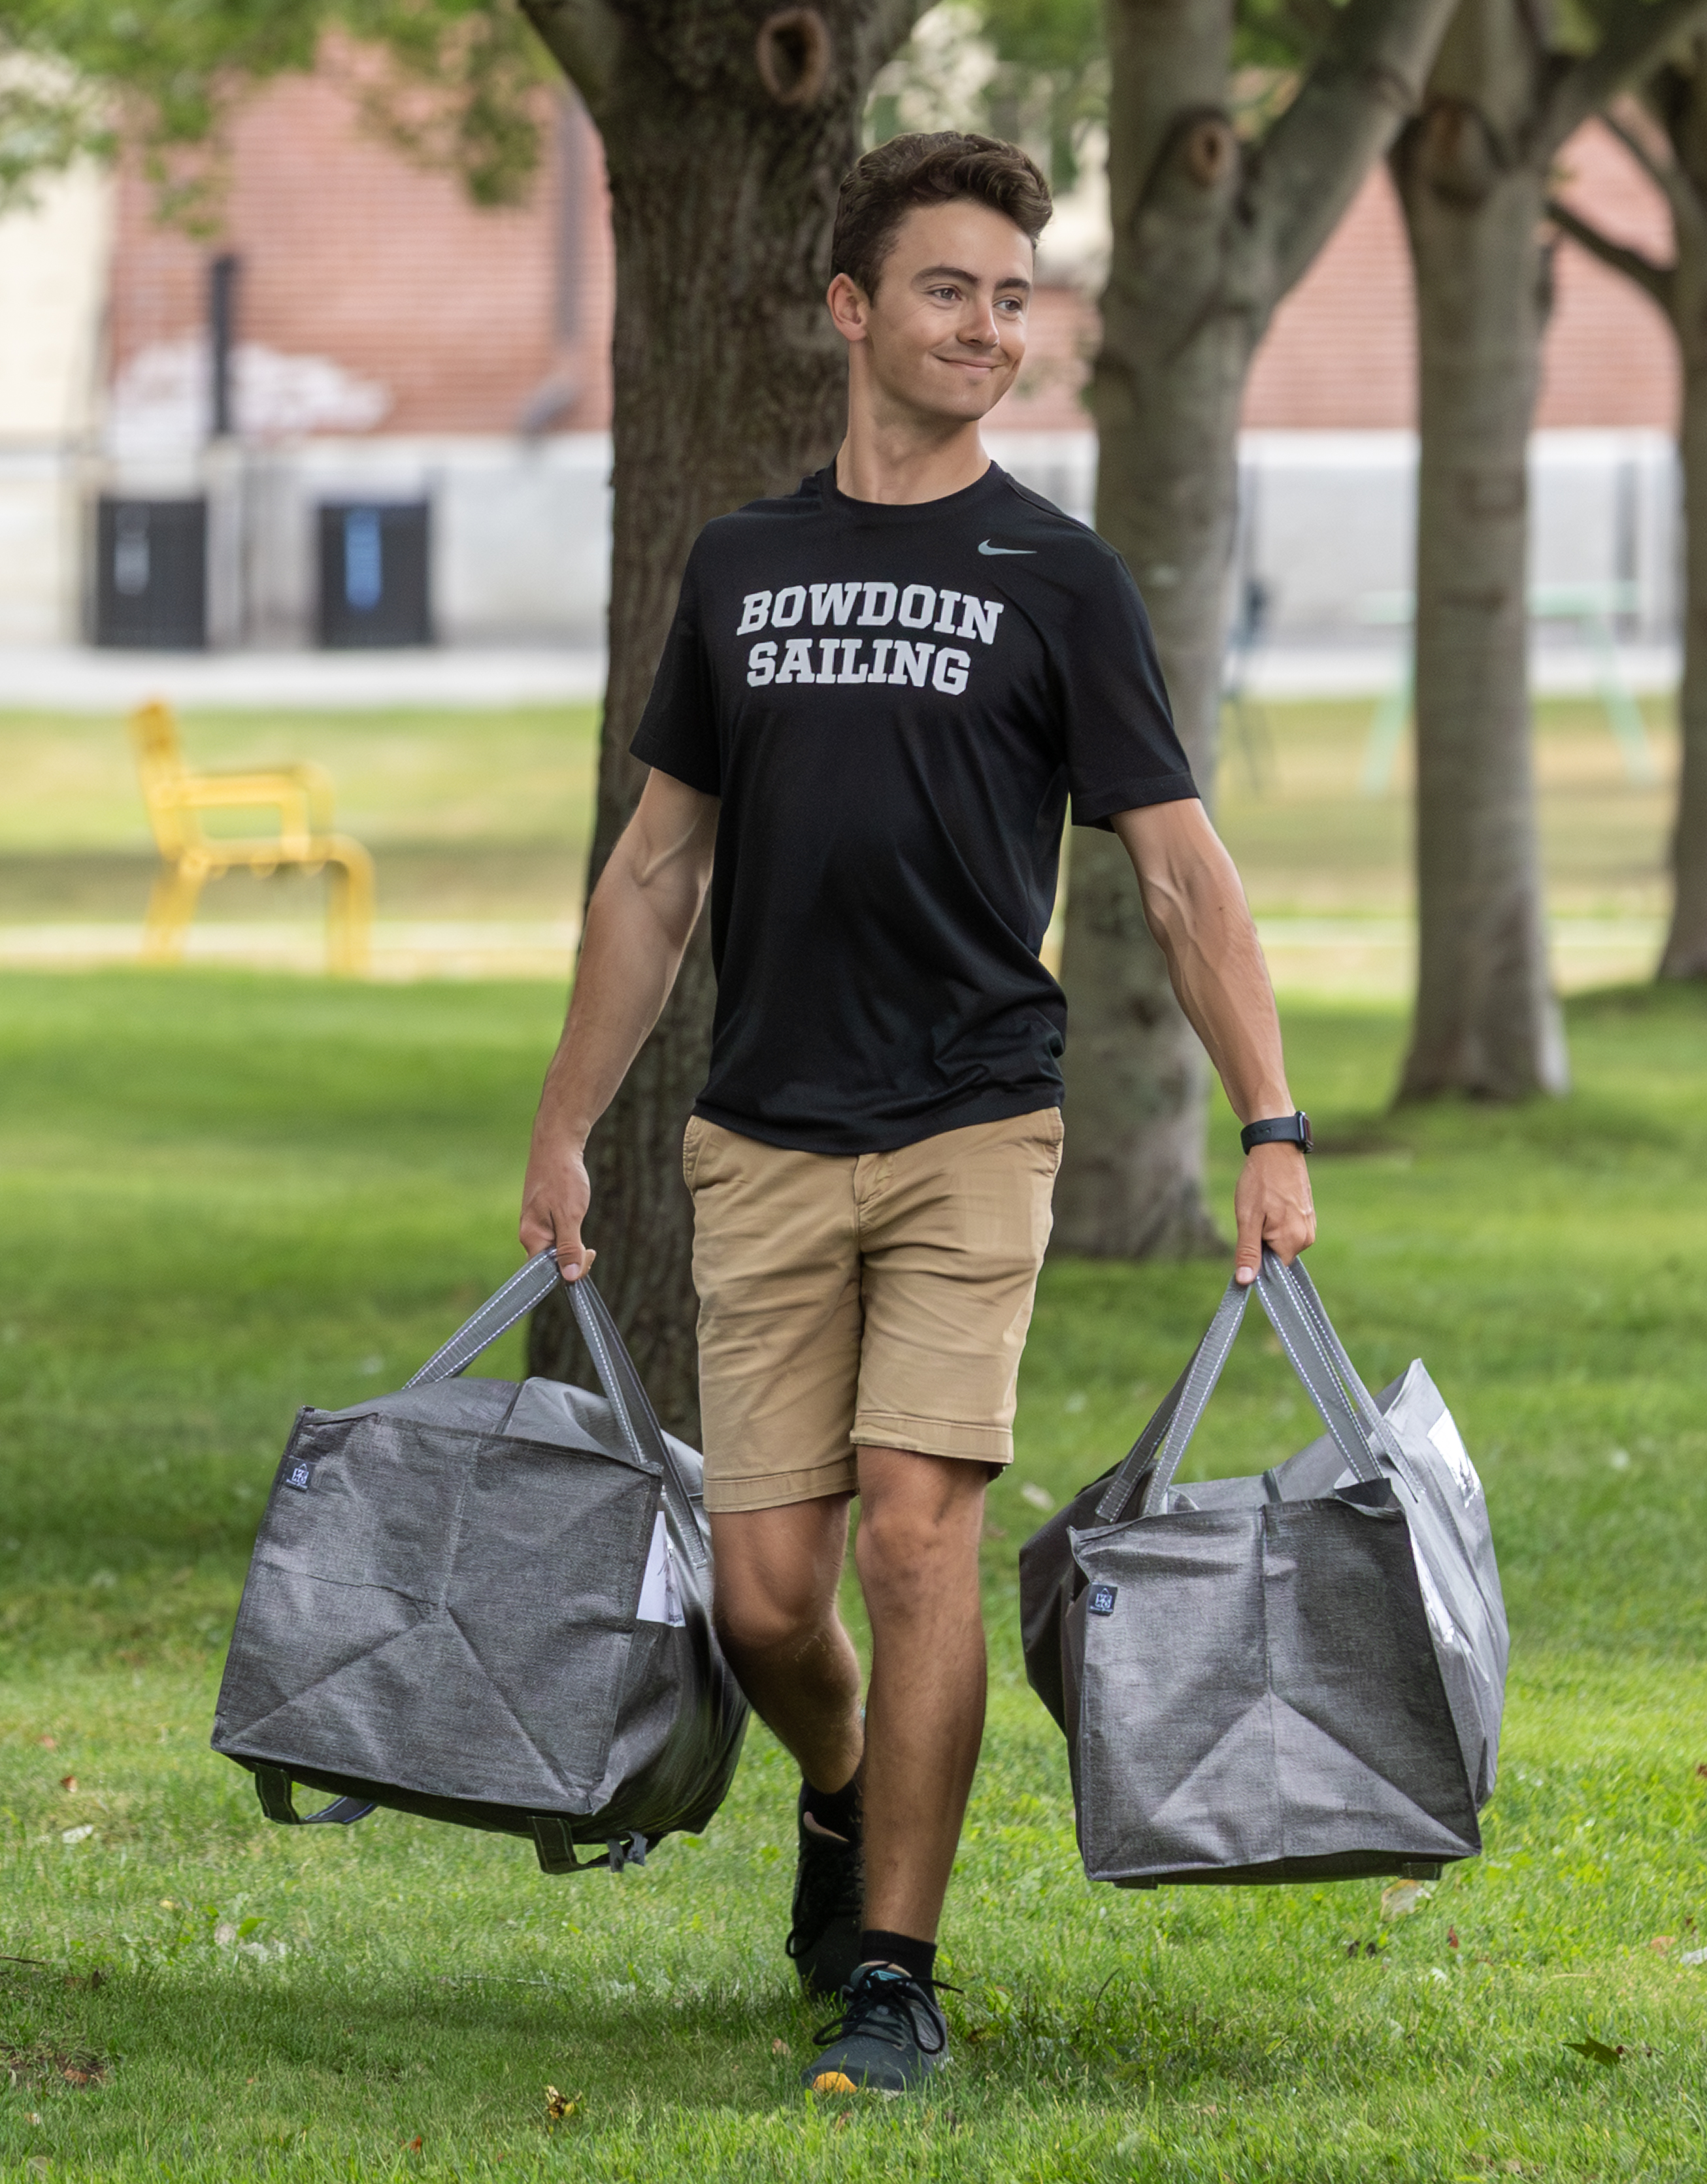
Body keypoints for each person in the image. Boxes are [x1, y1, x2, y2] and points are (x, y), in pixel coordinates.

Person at [512, 131, 1318, 2098]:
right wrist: (562, 1125)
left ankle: (895, 1960)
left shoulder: (1056, 577)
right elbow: (650, 875)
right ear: (853, 309)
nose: (990, 327)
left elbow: (1187, 876)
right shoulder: (741, 563)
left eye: (1016, 298)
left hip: (974, 1120)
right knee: (764, 1596)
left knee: (914, 1535)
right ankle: (847, 1781)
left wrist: (1275, 1124)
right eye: (950, 289)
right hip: (762, 1130)